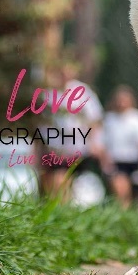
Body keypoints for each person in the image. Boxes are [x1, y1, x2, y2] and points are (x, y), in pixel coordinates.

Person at [40, 63, 105, 201]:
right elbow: (42, 123)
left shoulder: (82, 92)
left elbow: (95, 120)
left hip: (77, 148)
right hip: (55, 149)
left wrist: (95, 143)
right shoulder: (49, 94)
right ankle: (61, 212)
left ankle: (63, 212)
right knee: (52, 184)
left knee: (61, 181)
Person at [101, 85, 138, 208]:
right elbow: (104, 143)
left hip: (134, 161)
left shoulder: (136, 118)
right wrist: (105, 162)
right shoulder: (109, 119)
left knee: (136, 195)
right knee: (121, 191)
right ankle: (123, 215)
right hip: (117, 161)